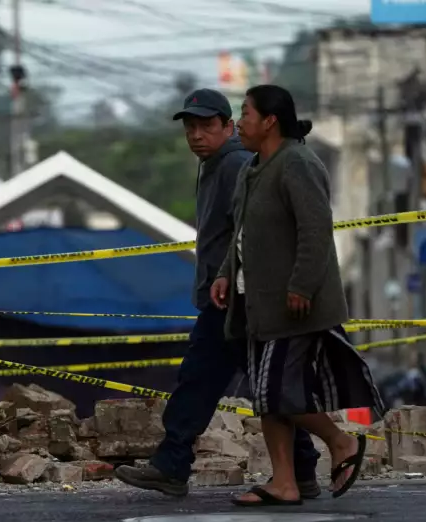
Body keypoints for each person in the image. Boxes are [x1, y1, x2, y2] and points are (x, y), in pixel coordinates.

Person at [114, 88, 321, 498]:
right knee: (270, 388)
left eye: (207, 126)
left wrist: (235, 282)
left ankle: (172, 464)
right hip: (231, 296)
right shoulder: (215, 164)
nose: (196, 135)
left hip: (235, 299)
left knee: (200, 378)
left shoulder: (236, 164)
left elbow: (252, 234)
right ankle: (303, 470)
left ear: (228, 126)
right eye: (190, 127)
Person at [211, 84, 385, 507]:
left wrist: (301, 285)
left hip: (293, 304)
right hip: (256, 303)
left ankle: (340, 441)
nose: (242, 122)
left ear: (270, 121)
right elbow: (242, 235)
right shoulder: (253, 169)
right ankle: (284, 482)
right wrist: (223, 274)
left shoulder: (298, 164)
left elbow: (315, 231)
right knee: (267, 398)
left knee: (276, 393)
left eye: (247, 114)